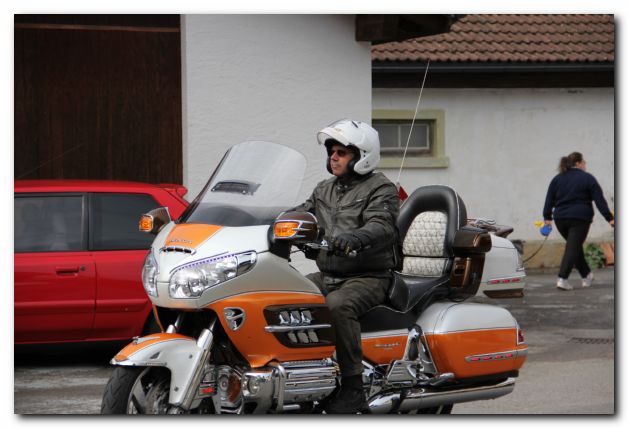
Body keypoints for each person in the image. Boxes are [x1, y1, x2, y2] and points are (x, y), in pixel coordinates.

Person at [294, 119, 400, 413]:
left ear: (362, 156)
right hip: (328, 273)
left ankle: (353, 387)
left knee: (338, 305)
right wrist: (274, 225)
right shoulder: (324, 189)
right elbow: (302, 214)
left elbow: (383, 226)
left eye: (342, 152)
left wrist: (354, 238)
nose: (334, 157)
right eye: (332, 151)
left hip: (368, 276)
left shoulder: (381, 188)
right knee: (285, 293)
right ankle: (300, 374)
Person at [542, 152, 614, 291]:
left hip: (560, 219)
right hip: (580, 219)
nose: (585, 165)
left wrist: (547, 218)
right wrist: (609, 218)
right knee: (573, 248)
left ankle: (586, 275)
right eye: (584, 162)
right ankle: (562, 279)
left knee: (573, 247)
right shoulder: (587, 178)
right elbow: (599, 200)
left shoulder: (557, 179)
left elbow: (549, 199)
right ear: (578, 163)